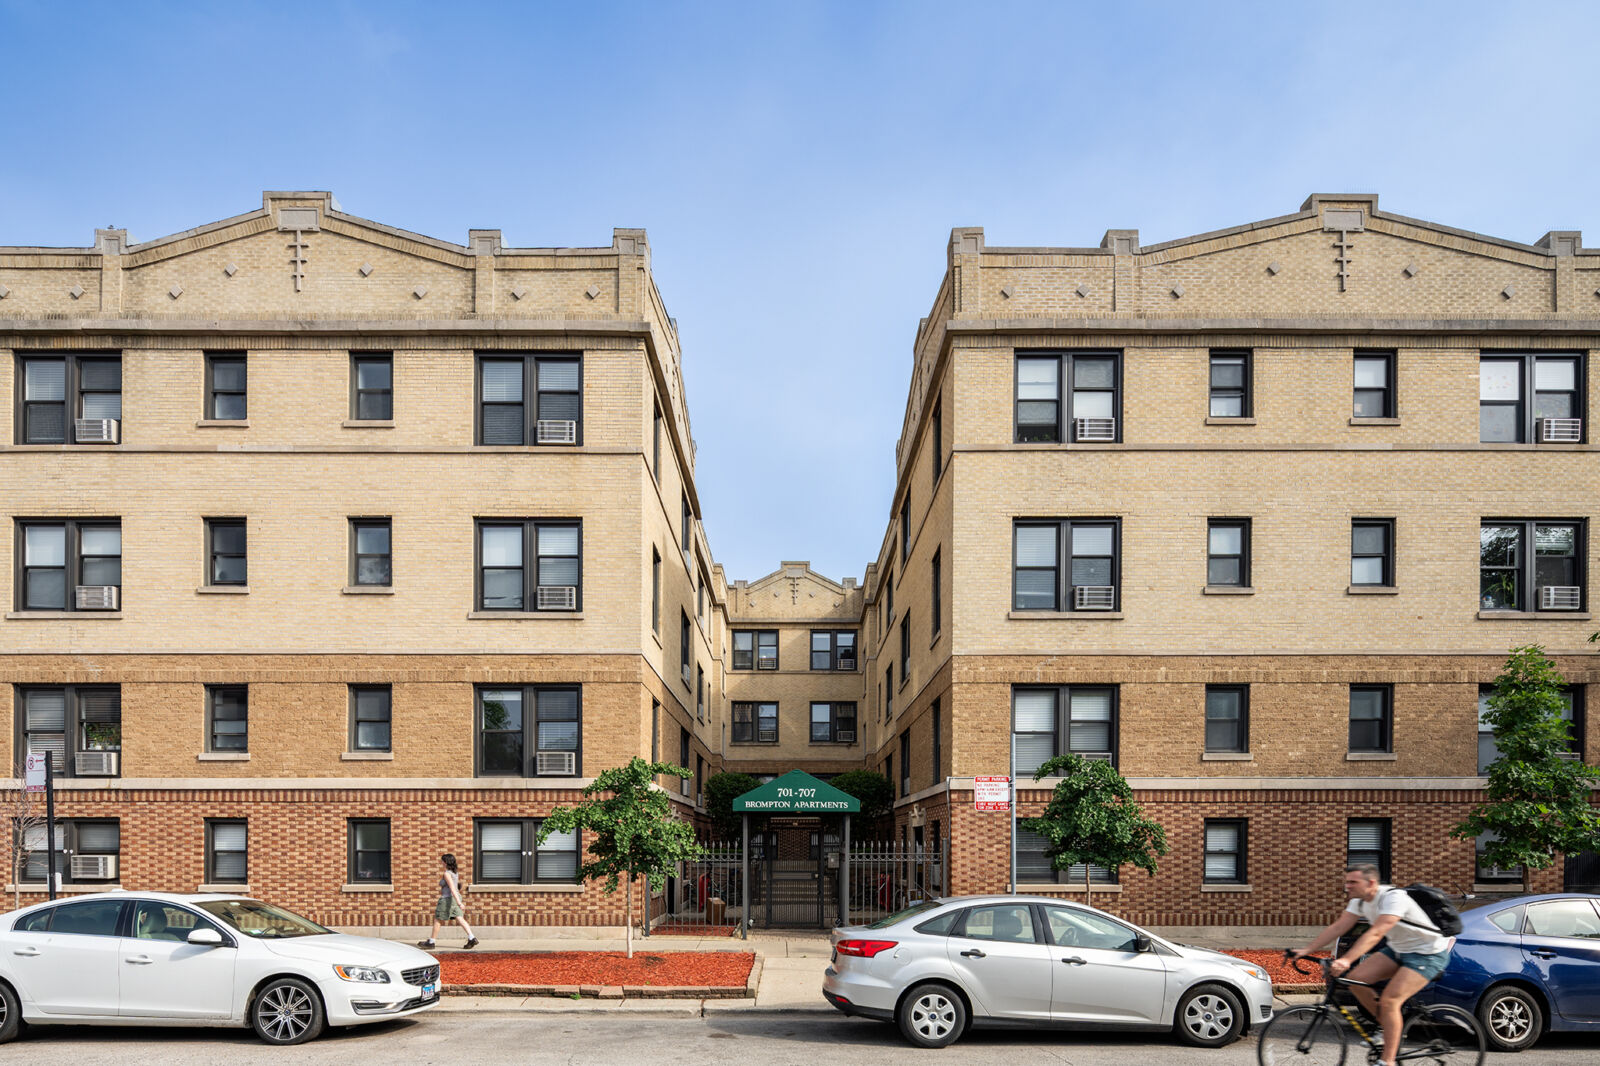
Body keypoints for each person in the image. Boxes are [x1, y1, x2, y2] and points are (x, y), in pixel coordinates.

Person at [1293, 864, 1453, 1066]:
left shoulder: (1393, 898)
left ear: (1371, 883)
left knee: (1389, 1001)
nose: (1347, 886)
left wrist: (1346, 959)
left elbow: (1376, 932)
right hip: (1399, 950)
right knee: (1354, 980)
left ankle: (1388, 1061)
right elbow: (1339, 926)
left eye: (1353, 882)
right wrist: (1306, 950)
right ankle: (1385, 1027)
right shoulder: (1359, 901)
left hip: (1427, 954)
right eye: (1347, 881)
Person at [419, 854, 478, 950]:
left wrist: (459, 903)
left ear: (445, 862)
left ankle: (431, 942)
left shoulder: (447, 874)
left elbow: (452, 888)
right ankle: (471, 937)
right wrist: (458, 900)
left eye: (442, 861)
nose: (441, 862)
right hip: (455, 898)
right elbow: (456, 887)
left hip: (447, 899)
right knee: (459, 918)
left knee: (438, 919)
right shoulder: (455, 872)